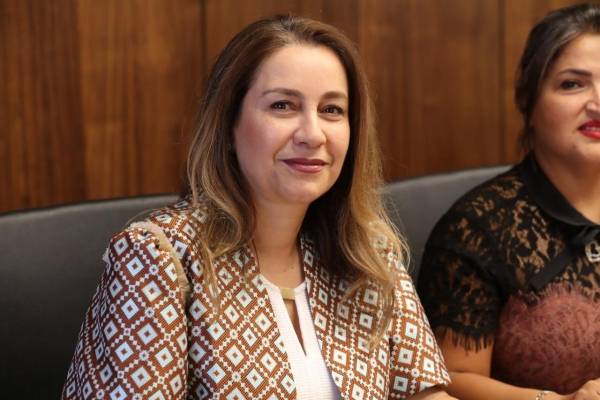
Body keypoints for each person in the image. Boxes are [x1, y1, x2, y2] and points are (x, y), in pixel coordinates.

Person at [62, 15, 453, 399]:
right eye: (283, 106)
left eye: (332, 110)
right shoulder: (157, 257)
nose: (313, 134)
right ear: (228, 126)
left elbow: (425, 396)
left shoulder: (368, 251)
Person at [417, 3, 600, 400]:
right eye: (573, 84)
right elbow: (449, 380)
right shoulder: (476, 228)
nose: (597, 101)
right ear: (529, 102)